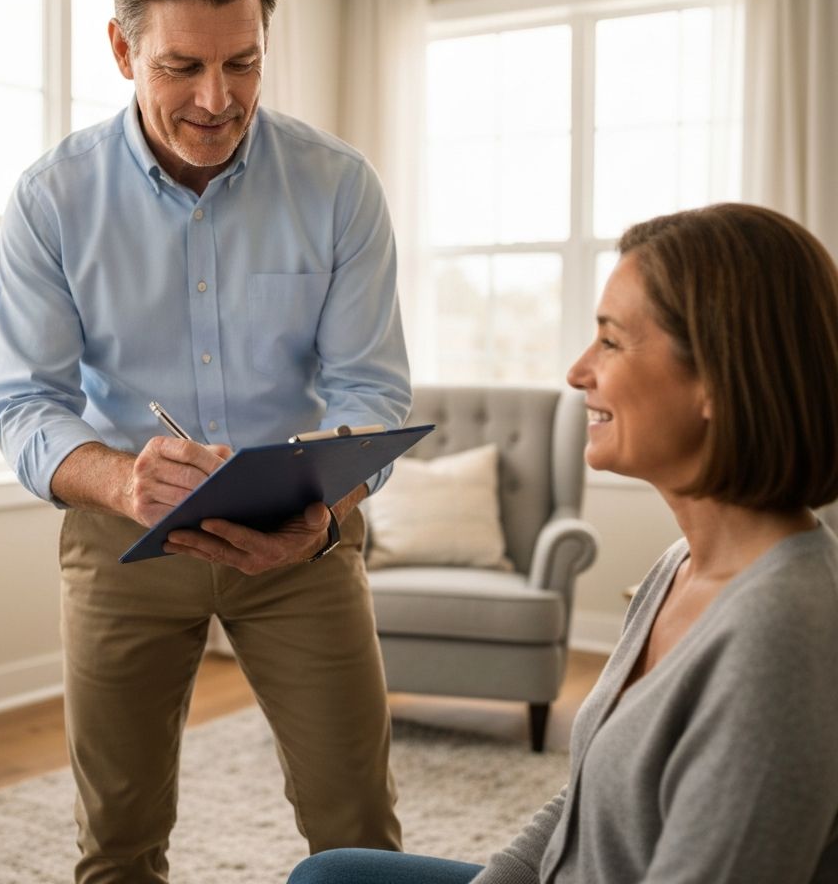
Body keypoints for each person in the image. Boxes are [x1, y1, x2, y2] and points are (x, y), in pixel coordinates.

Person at [0, 0, 410, 884]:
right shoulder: (52, 199)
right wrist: (116, 476)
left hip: (304, 537)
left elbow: (370, 390)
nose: (218, 101)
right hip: (122, 535)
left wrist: (321, 507)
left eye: (243, 64)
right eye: (181, 67)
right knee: (119, 838)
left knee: (357, 824)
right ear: (122, 49)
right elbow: (23, 400)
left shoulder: (339, 187)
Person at [288, 202, 838, 884]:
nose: (579, 372)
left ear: (718, 380)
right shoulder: (680, 565)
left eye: (610, 341)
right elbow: (587, 795)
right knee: (330, 876)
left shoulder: (781, 636)